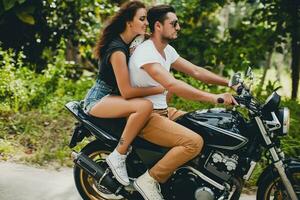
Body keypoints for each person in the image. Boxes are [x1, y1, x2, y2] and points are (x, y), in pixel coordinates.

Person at [129, 5, 237, 200]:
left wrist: (230, 83)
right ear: (158, 26)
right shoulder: (146, 52)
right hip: (145, 116)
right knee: (193, 142)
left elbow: (196, 71)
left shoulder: (166, 50)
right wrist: (215, 97)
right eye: (174, 23)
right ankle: (149, 180)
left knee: (205, 125)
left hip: (163, 111)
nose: (178, 27)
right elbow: (172, 84)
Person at [83, 1, 165, 187]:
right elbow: (127, 92)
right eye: (142, 19)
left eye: (147, 19)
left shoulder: (129, 44)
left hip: (113, 97)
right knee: (145, 105)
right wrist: (159, 88)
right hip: (99, 99)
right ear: (129, 22)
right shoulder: (118, 50)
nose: (146, 23)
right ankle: (118, 155)